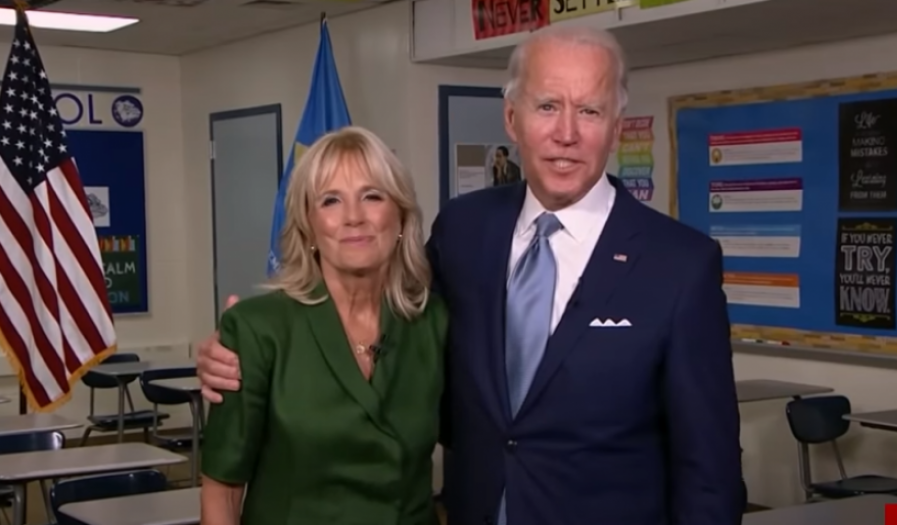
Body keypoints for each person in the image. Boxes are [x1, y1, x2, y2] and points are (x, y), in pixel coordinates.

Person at [198, 24, 744, 525]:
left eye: (590, 111)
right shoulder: (464, 231)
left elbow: (709, 470)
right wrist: (227, 356)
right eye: (547, 106)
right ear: (512, 119)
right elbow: (386, 320)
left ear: (617, 128)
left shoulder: (680, 265)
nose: (567, 133)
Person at [198, 126, 447, 525]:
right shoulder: (257, 329)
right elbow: (222, 491)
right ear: (309, 225)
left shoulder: (433, 322)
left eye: (372, 196)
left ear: (400, 215)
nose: (354, 217)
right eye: (331, 200)